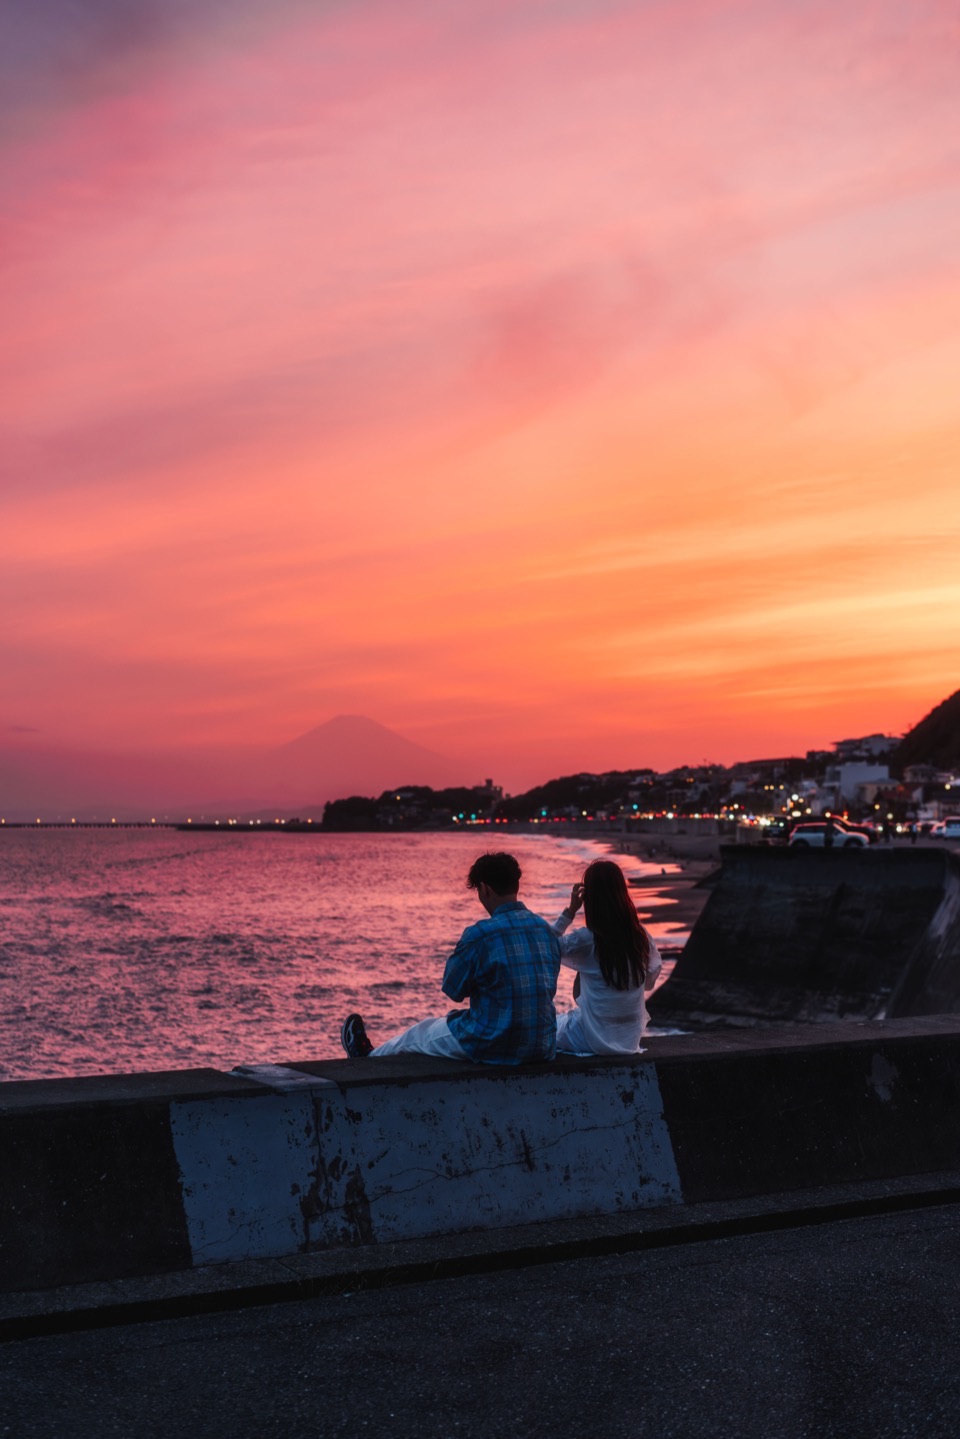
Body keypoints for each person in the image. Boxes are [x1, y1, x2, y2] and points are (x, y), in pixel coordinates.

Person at [340, 851, 561, 1064]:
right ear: (516, 885)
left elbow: (453, 989)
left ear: (484, 889)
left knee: (417, 1035)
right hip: (541, 1046)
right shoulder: (544, 929)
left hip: (493, 1045)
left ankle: (366, 1058)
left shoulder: (480, 934)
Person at [550, 859, 661, 1056]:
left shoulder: (586, 939)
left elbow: (544, 946)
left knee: (551, 1026)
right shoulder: (641, 936)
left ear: (589, 897)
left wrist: (570, 911)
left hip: (591, 1039)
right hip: (629, 1039)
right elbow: (652, 974)